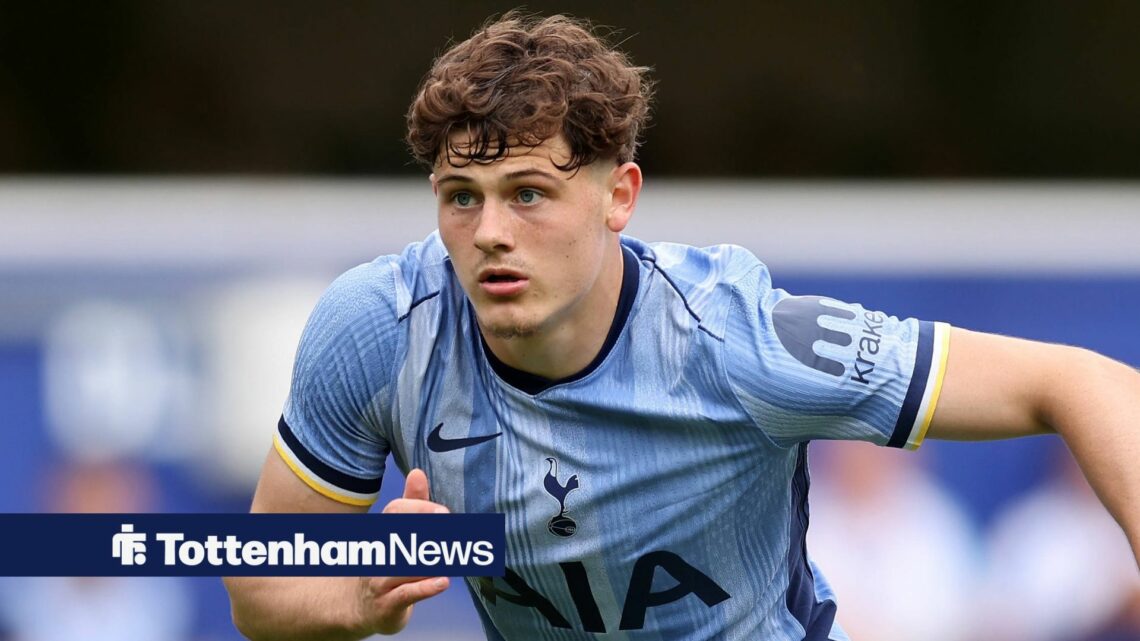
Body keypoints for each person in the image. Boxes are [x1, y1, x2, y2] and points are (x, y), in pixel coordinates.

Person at [223, 12, 1140, 640]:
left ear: (619, 195)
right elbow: (260, 586)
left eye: (529, 193)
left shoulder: (736, 341)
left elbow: (1082, 381)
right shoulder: (380, 328)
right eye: (461, 196)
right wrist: (356, 595)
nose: (490, 231)